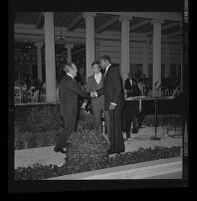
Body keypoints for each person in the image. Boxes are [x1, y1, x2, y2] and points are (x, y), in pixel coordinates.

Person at [91, 55, 125, 155]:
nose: (100, 65)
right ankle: (114, 147)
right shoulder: (107, 71)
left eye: (101, 63)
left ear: (105, 62)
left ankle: (118, 148)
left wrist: (113, 103)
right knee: (113, 125)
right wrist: (96, 93)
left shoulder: (113, 70)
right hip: (111, 103)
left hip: (114, 104)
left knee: (116, 126)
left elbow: (118, 88)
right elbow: (106, 88)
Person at [54, 62, 90, 154]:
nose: (77, 70)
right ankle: (62, 147)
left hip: (68, 108)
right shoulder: (69, 80)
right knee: (69, 128)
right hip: (69, 109)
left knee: (69, 128)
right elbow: (81, 93)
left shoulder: (66, 79)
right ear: (71, 69)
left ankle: (60, 146)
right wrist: (93, 94)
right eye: (76, 68)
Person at [82, 61, 110, 140]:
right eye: (92, 68)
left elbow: (109, 89)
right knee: (97, 122)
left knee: (108, 120)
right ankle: (98, 139)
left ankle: (111, 139)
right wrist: (85, 102)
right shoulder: (90, 79)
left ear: (99, 68)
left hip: (105, 101)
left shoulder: (105, 77)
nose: (94, 69)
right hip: (95, 103)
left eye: (95, 67)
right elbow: (87, 92)